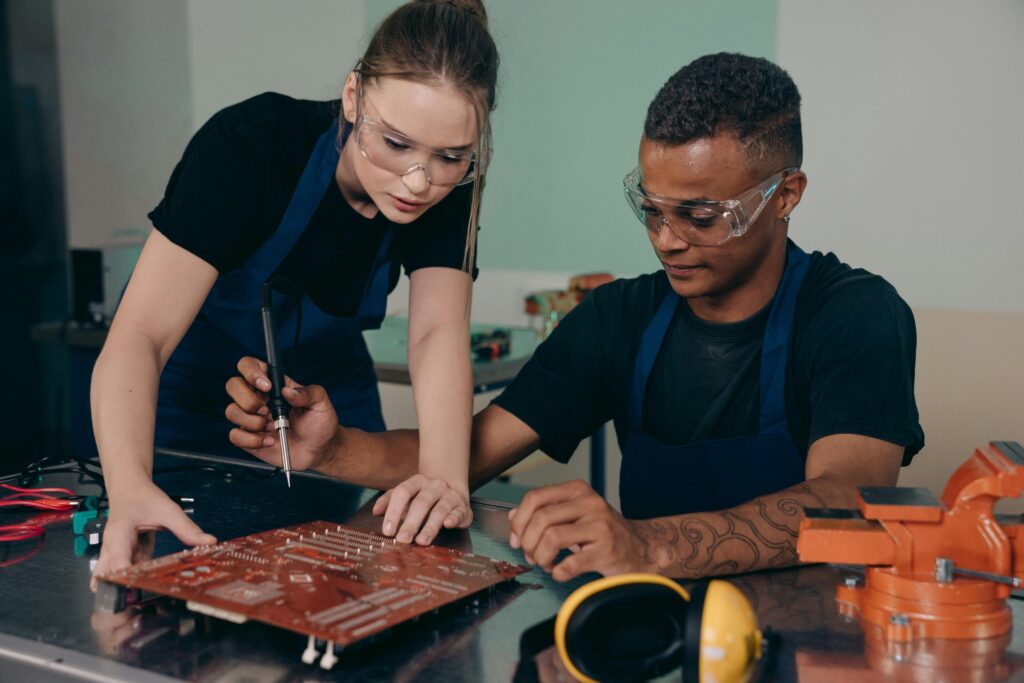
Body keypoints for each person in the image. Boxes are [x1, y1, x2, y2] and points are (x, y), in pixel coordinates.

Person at [223, 53, 924, 581]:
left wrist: (647, 543)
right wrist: (333, 447)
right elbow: (463, 453)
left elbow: (846, 498)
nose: (667, 238)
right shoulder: (621, 317)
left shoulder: (853, 314)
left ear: (785, 194)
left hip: (812, 637)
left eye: (702, 215)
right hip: (648, 619)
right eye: (652, 208)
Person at [90, 0, 500, 578]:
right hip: (184, 411)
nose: (419, 181)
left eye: (451, 157)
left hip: (331, 410)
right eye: (397, 144)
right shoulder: (253, 145)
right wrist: (129, 486)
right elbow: (141, 336)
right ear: (354, 96)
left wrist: (442, 477)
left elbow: (437, 333)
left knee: (357, 587)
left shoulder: (450, 193)